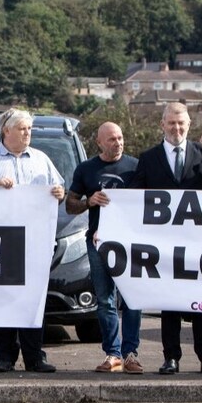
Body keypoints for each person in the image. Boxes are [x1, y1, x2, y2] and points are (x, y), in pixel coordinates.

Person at [0, 107, 65, 373]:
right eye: (22, 128)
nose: (28, 133)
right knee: (2, 298)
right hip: (0, 239)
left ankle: (35, 357)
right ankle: (4, 357)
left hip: (35, 239)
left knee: (33, 299)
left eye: (29, 128)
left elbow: (59, 190)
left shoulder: (41, 159)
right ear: (6, 131)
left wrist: (58, 192)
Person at [130, 102, 202, 376]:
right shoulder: (148, 158)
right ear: (162, 125)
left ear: (189, 125)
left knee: (201, 303)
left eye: (181, 123)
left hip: (198, 242)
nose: (176, 128)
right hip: (165, 244)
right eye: (171, 123)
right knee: (169, 302)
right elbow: (134, 198)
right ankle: (171, 357)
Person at [66, 122, 143, 374]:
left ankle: (131, 353)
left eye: (120, 138)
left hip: (130, 243)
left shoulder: (135, 166)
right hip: (98, 242)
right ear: (99, 142)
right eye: (111, 139)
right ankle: (113, 353)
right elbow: (70, 205)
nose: (118, 143)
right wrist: (90, 201)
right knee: (105, 300)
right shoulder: (86, 169)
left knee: (132, 299)